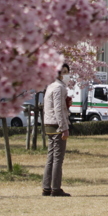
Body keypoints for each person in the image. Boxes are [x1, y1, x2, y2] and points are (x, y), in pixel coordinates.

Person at [42, 63, 72, 197]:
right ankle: (55, 188)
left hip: (49, 123)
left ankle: (46, 187)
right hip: (56, 125)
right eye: (63, 72)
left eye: (67, 72)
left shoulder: (50, 86)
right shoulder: (59, 87)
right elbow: (58, 109)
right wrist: (64, 127)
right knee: (57, 158)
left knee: (51, 157)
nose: (65, 74)